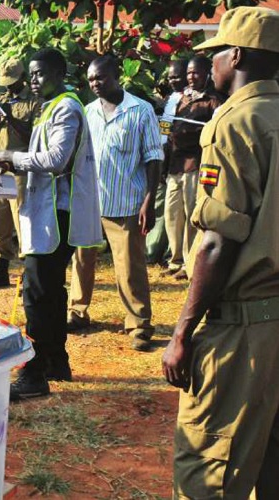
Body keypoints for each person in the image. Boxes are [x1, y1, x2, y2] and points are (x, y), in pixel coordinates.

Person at [161, 7, 279, 499]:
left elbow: (217, 239)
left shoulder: (234, 122)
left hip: (243, 328)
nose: (210, 64)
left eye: (216, 54)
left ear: (237, 54)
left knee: (208, 467)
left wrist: (183, 330)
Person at [0, 49, 102, 399]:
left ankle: (35, 373)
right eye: (31, 75)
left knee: (36, 294)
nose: (33, 81)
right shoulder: (50, 108)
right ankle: (56, 361)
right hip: (46, 210)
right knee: (50, 290)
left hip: (57, 215)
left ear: (59, 73)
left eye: (40, 74)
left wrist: (9, 157)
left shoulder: (66, 107)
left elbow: (56, 159)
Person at [68, 55, 163, 351]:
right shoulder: (88, 112)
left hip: (126, 204)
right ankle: (77, 311)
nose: (95, 84)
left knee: (129, 267)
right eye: (92, 79)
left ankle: (138, 324)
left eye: (101, 78)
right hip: (90, 202)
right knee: (81, 261)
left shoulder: (140, 110)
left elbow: (154, 157)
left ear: (117, 75)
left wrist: (149, 200)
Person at [0, 59, 41, 290]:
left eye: (12, 83)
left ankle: (29, 271)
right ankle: (1, 269)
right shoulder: (3, 100)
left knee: (22, 220)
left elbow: (32, 138)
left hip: (20, 170)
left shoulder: (35, 103)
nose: (8, 88)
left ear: (23, 78)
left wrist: (11, 118)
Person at [163, 55, 224, 280]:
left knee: (190, 215)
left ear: (207, 73)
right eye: (189, 72)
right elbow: (164, 129)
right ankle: (175, 259)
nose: (191, 77)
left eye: (196, 72)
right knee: (171, 213)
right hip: (174, 165)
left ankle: (189, 264)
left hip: (195, 165)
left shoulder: (214, 101)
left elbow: (214, 134)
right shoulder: (177, 99)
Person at [146, 59, 188, 266]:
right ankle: (154, 251)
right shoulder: (172, 100)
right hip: (163, 159)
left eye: (177, 76)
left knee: (179, 212)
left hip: (181, 162)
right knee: (162, 207)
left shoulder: (191, 101)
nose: (172, 81)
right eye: (170, 77)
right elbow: (165, 129)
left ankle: (173, 254)